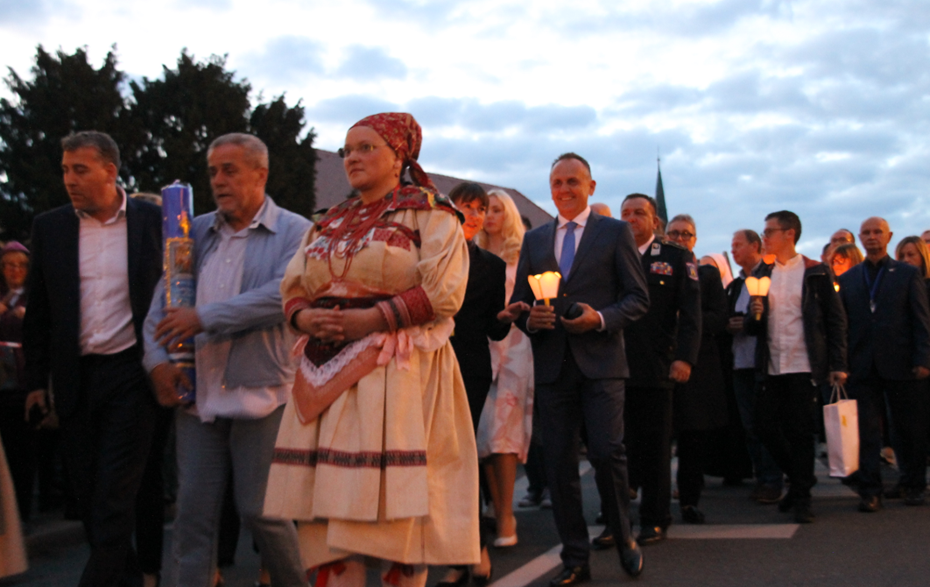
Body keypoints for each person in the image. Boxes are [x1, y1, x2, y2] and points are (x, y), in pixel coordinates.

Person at [262, 113, 478, 587]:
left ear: (399, 155)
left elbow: (445, 293)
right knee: (323, 522)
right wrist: (303, 316)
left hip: (395, 374)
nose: (353, 158)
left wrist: (370, 319)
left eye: (366, 147)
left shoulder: (431, 214)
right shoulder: (329, 220)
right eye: (347, 150)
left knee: (393, 519)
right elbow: (293, 285)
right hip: (320, 379)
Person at [143, 133, 309, 587]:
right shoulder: (191, 231)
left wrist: (204, 317)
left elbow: (283, 296)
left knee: (261, 512)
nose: (218, 180)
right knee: (193, 516)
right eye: (213, 171)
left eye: (230, 170)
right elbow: (161, 306)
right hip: (197, 399)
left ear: (261, 174)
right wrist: (156, 362)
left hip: (261, 395)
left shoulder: (296, 231)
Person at [22, 130, 163, 587]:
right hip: (74, 378)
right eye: (65, 169)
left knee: (114, 498)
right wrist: (34, 382)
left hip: (131, 375)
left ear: (110, 170)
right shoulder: (51, 227)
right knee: (87, 499)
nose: (69, 179)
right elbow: (39, 311)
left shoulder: (152, 222)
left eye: (79, 169)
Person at [511, 153, 648, 585]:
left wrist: (600, 319)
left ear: (591, 186)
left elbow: (638, 298)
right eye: (556, 183)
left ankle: (624, 534)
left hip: (602, 363)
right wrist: (528, 318)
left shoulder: (614, 232)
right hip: (553, 366)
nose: (564, 190)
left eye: (573, 181)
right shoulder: (535, 240)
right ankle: (575, 558)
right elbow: (520, 304)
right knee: (559, 466)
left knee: (608, 454)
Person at [746, 211, 847, 523]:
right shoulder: (762, 271)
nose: (764, 238)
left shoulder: (815, 272)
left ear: (789, 234)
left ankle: (802, 497)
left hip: (804, 363)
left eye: (769, 232)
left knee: (801, 431)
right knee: (763, 424)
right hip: (772, 363)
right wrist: (755, 314)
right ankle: (801, 479)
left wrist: (837, 362)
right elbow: (752, 326)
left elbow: (835, 319)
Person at [618, 195, 701, 545]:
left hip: (656, 367)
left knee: (654, 447)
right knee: (616, 447)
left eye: (640, 213)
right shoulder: (611, 254)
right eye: (626, 214)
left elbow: (691, 314)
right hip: (614, 366)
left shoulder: (676, 258)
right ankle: (615, 516)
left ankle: (654, 517)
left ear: (655, 222)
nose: (632, 219)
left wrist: (684, 358)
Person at [837, 218, 930, 510]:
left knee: (908, 427)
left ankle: (914, 484)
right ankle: (870, 490)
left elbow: (920, 320)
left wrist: (923, 358)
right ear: (861, 239)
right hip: (862, 364)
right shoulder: (851, 278)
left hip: (901, 362)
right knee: (866, 431)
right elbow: (843, 325)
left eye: (877, 232)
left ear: (888, 236)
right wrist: (841, 363)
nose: (872, 237)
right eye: (866, 233)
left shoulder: (906, 274)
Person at [475, 189, 535, 549]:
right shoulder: (472, 254)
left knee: (504, 439)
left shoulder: (523, 256)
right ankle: (497, 510)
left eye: (497, 209)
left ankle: (506, 515)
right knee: (483, 437)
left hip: (513, 352)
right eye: (486, 209)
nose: (490, 215)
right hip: (479, 350)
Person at [665, 215, 729, 524]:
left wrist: (689, 318)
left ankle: (690, 500)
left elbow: (720, 317)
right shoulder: (655, 272)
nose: (679, 238)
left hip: (698, 366)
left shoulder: (706, 275)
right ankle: (654, 498)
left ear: (695, 240)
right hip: (660, 364)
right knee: (657, 438)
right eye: (673, 233)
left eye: (686, 234)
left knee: (692, 439)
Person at [726, 230, 784, 504]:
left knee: (767, 423)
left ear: (755, 246)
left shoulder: (769, 277)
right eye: (732, 245)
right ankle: (761, 477)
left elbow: (769, 316)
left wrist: (747, 323)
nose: (733, 249)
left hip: (763, 360)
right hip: (740, 362)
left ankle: (773, 480)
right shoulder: (737, 284)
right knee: (750, 426)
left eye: (738, 244)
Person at [0, 242, 34, 523]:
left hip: (22, 380)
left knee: (21, 449)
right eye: (9, 265)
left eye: (21, 265)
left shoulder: (33, 296)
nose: (15, 271)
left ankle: (21, 513)